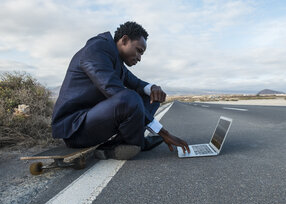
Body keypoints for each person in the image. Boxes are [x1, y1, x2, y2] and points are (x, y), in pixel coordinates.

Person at [52, 21, 190, 160]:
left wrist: (153, 88)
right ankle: (124, 146)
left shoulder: (116, 59)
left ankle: (128, 143)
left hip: (93, 120)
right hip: (76, 129)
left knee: (151, 96)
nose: (139, 58)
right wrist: (163, 132)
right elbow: (113, 90)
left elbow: (135, 82)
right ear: (124, 40)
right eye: (138, 50)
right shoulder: (96, 49)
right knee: (129, 98)